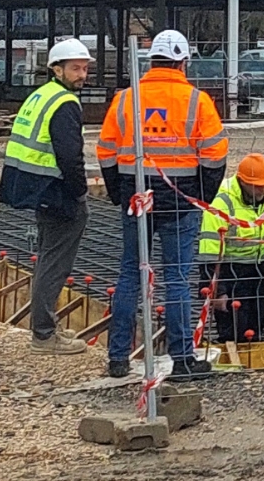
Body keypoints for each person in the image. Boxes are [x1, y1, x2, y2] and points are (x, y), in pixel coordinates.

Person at [97, 29, 230, 380]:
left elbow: (106, 151)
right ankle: (182, 358)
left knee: (130, 273)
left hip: (136, 196)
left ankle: (117, 358)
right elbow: (215, 155)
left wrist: (118, 193)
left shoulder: (126, 99)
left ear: (151, 62)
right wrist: (201, 196)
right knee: (177, 279)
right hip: (181, 200)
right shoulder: (197, 100)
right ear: (183, 63)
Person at [0, 38, 94, 355]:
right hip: (56, 189)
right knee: (54, 262)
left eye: (85, 69)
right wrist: (80, 192)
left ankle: (45, 325)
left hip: (36, 186)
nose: (82, 75)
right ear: (57, 69)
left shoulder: (42, 95)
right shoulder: (64, 102)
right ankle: (44, 334)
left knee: (47, 257)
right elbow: (70, 156)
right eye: (76, 69)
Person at [196, 153, 264, 346]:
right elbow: (209, 252)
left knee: (254, 329)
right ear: (243, 182)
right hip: (230, 274)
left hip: (258, 272)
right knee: (232, 331)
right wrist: (218, 291)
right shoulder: (221, 202)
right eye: (258, 185)